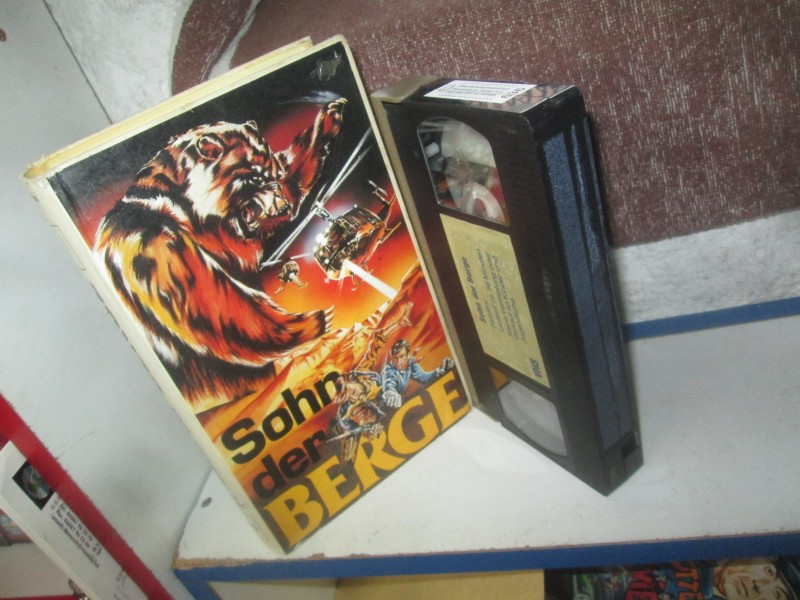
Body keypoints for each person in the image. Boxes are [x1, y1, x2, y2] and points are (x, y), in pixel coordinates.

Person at [380, 338, 454, 408]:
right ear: (392, 358)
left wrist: (440, 370)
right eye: (395, 358)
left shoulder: (410, 363)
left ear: (408, 355)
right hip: (382, 404)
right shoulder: (389, 371)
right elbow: (388, 385)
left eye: (402, 356)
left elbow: (424, 378)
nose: (399, 361)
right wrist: (391, 393)